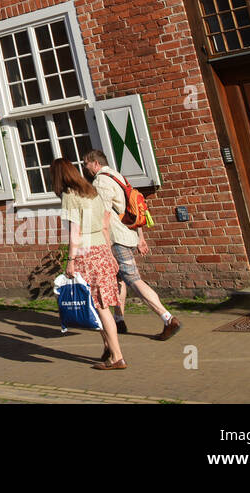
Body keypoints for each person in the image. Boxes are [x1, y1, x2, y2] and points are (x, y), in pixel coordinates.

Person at [83, 150, 180, 341]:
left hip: (116, 238)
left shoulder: (101, 181)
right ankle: (119, 320)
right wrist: (140, 237)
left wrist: (104, 244)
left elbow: (104, 216)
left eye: (85, 163)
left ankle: (168, 318)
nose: (84, 167)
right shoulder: (118, 176)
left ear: (95, 163)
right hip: (128, 234)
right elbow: (133, 207)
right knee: (119, 278)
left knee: (134, 279)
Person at [52, 158, 125, 370]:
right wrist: (110, 254)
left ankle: (117, 357)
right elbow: (105, 225)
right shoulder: (92, 191)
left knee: (99, 307)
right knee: (99, 304)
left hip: (86, 253)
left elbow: (75, 233)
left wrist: (70, 260)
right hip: (101, 248)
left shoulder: (69, 196)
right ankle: (108, 347)